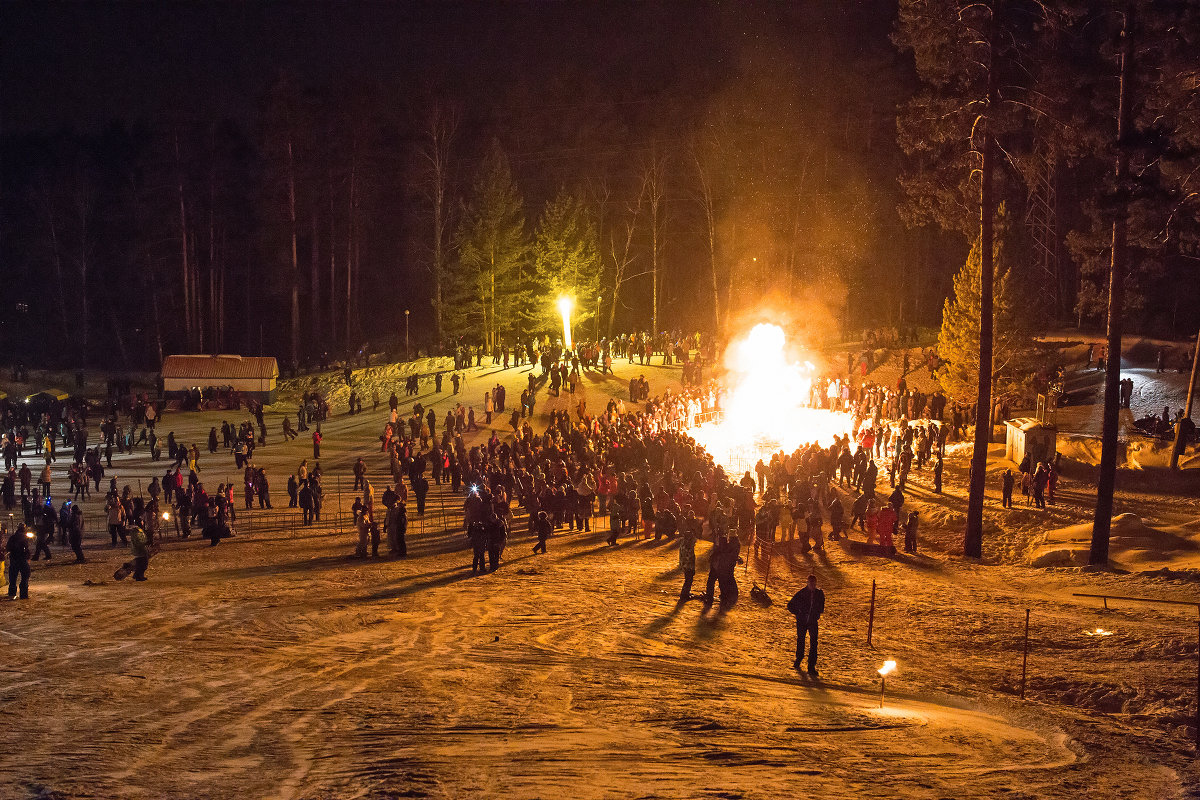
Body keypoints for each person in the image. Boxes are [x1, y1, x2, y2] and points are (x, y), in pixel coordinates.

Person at [786, 574, 825, 676]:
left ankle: (811, 666)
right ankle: (799, 659)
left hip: (812, 621)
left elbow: (821, 608)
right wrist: (799, 613)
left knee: (813, 643)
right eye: (810, 583)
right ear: (807, 583)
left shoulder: (819, 594)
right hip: (802, 621)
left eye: (814, 583)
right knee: (801, 640)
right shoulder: (801, 593)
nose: (812, 585)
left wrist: (816, 613)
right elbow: (790, 605)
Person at [677, 508, 700, 601]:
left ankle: (686, 592)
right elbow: (689, 557)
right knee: (688, 580)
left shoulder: (683, 543)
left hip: (684, 564)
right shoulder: (688, 545)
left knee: (688, 580)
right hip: (688, 566)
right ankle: (684, 594)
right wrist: (691, 567)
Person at [5, 523, 32, 599]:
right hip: (22, 559)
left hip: (14, 559)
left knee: (13, 578)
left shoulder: (13, 537)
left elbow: (8, 547)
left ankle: (12, 594)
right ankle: (23, 594)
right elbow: (26, 549)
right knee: (25, 576)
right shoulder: (24, 537)